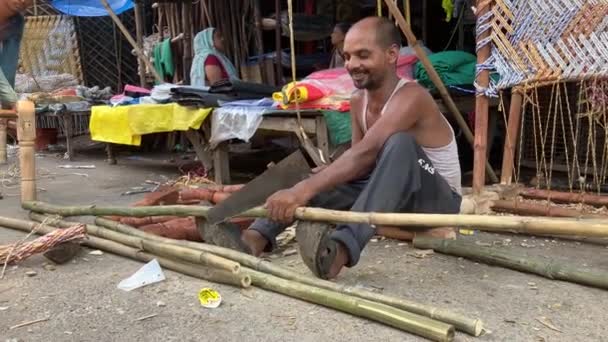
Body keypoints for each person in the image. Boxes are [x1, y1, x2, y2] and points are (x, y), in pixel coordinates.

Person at [220, 17, 462, 279]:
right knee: (316, 176)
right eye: (346, 56)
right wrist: (317, 179)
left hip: (435, 203)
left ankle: (341, 250)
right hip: (391, 202)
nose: (351, 65)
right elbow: (360, 166)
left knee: (400, 144)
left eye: (363, 55)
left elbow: (366, 153)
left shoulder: (413, 97)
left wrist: (303, 191)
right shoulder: (359, 101)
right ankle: (254, 239)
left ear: (392, 54)